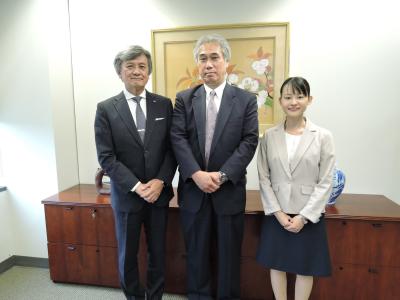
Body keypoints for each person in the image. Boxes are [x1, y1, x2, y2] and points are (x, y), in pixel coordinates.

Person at [170, 34, 259, 299]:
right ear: (197, 64)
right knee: (196, 254)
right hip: (193, 191)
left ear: (226, 62)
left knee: (228, 256)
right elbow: (177, 137)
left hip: (228, 191)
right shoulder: (185, 98)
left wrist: (221, 175)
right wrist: (196, 174)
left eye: (214, 57)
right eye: (202, 58)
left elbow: (249, 141)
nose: (208, 64)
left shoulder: (245, 100)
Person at [94, 45, 176, 300]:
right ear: (120, 72)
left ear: (149, 72)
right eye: (130, 66)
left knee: (157, 254)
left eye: (142, 66)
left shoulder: (164, 105)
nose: (137, 71)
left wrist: (161, 181)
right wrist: (137, 186)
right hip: (128, 197)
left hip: (158, 195)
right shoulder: (106, 108)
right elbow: (106, 157)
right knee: (127, 255)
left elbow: (172, 150)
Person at [256, 77, 335, 300]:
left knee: (305, 267)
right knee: (277, 264)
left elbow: (325, 180)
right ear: (280, 101)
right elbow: (264, 178)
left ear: (309, 99)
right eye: (288, 97)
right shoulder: (269, 136)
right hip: (277, 211)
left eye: (300, 96)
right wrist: (278, 214)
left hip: (308, 214)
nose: (294, 102)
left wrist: (304, 216)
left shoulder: (323, 136)